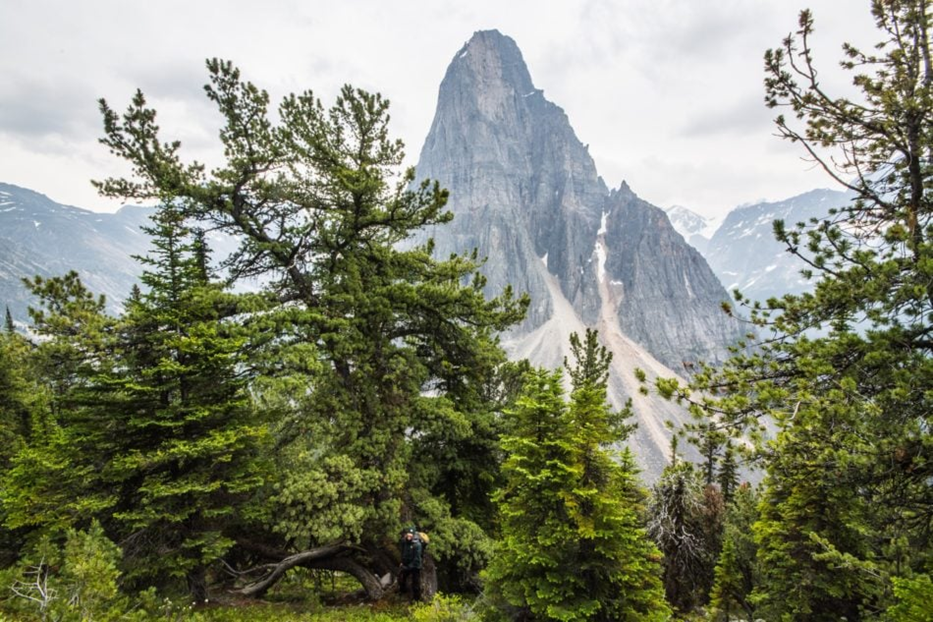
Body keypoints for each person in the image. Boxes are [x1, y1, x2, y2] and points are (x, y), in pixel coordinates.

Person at [398, 526, 423, 601]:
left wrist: (409, 567)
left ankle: (417, 599)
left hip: (415, 566)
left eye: (410, 535)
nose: (409, 537)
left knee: (415, 583)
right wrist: (402, 562)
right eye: (408, 535)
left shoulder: (417, 545)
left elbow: (417, 559)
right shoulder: (404, 542)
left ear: (413, 535)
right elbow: (403, 552)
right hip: (406, 563)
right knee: (401, 578)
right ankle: (402, 593)